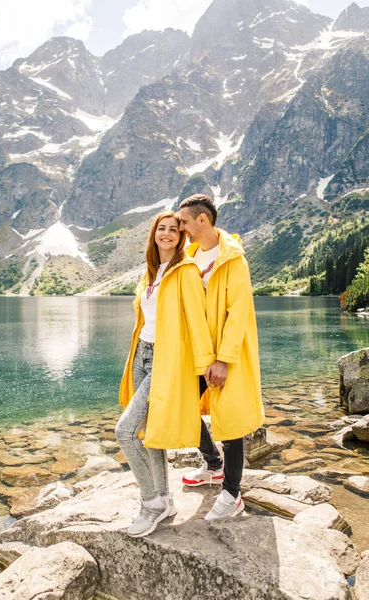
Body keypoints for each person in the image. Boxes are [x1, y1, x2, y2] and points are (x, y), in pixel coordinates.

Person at [116, 210, 215, 537]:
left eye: (174, 229)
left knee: (125, 431)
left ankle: (151, 503)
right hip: (143, 355)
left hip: (166, 361)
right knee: (150, 432)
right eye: (162, 228)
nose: (168, 233)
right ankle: (166, 500)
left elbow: (198, 323)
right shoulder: (151, 272)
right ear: (154, 234)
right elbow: (145, 322)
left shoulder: (186, 271)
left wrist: (205, 367)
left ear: (181, 235)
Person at [178, 194, 265, 520]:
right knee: (183, 404)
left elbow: (238, 313)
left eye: (184, 221)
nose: (180, 227)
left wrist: (224, 360)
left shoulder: (233, 259)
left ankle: (232, 494)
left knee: (230, 423)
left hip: (225, 356)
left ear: (203, 220)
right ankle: (213, 464)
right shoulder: (186, 257)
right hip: (195, 354)